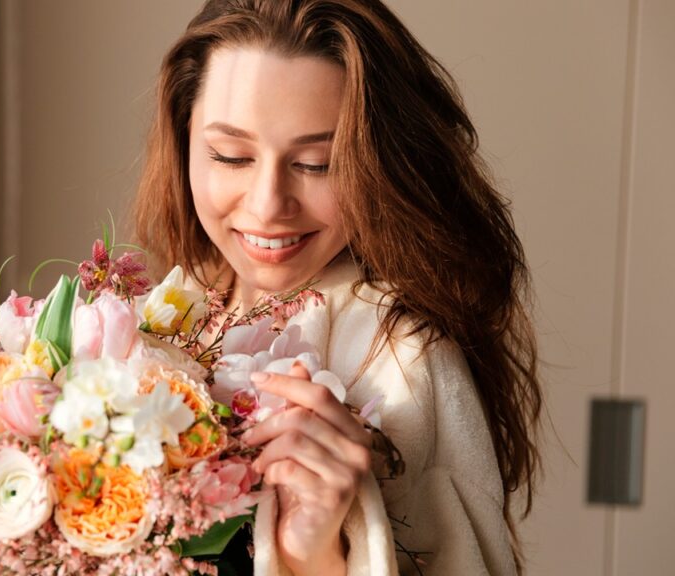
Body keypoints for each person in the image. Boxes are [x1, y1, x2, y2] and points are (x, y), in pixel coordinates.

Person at [132, 1, 543, 575]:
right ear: (183, 142)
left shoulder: (406, 357)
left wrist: (317, 552)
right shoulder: (171, 307)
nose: (268, 205)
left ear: (378, 165)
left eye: (317, 164)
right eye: (232, 156)